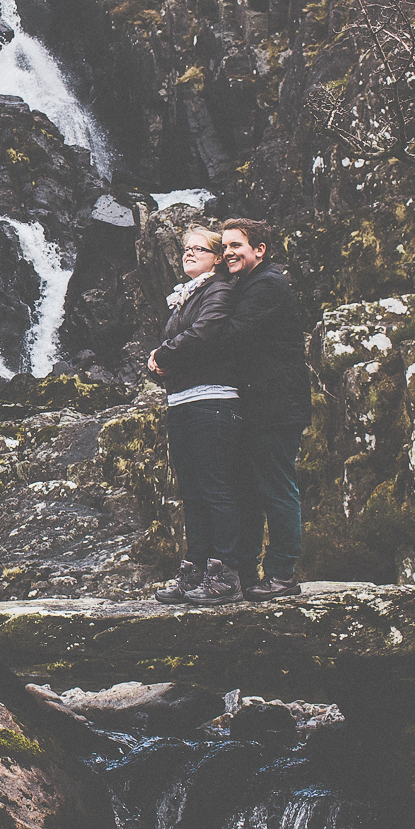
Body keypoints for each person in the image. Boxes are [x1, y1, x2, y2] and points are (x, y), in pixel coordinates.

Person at [215, 218, 314, 601]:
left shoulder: (267, 284)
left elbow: (232, 334)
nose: (228, 253)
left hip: (277, 405)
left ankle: (282, 573)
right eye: (224, 247)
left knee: (276, 488)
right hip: (261, 405)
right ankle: (249, 571)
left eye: (236, 245)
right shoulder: (250, 283)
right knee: (252, 490)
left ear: (260, 249)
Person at [145, 227, 243, 606]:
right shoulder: (188, 296)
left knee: (216, 488)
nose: (188, 254)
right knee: (192, 491)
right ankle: (194, 571)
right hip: (183, 401)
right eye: (185, 249)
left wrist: (164, 355)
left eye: (197, 249)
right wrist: (158, 366)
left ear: (217, 257)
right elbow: (174, 346)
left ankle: (225, 575)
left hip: (213, 400)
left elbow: (205, 332)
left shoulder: (218, 290)